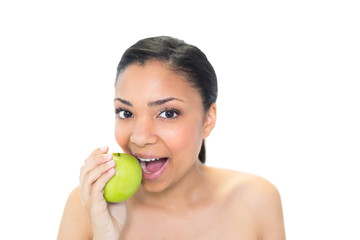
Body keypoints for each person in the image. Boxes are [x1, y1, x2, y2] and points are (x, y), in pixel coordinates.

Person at [57, 36, 286, 240]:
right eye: (126, 113)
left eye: (168, 113)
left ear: (208, 119)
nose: (140, 137)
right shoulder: (87, 206)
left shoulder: (255, 200)